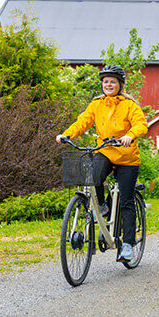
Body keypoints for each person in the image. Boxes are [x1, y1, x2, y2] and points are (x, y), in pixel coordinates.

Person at [56, 64, 147, 263]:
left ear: (120, 84)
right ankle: (104, 208)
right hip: (105, 151)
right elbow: (83, 121)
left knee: (126, 200)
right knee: (92, 176)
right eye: (105, 81)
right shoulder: (97, 104)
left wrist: (130, 136)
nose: (108, 84)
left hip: (126, 156)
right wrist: (67, 134)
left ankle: (129, 246)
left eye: (113, 81)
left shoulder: (129, 105)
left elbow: (141, 124)